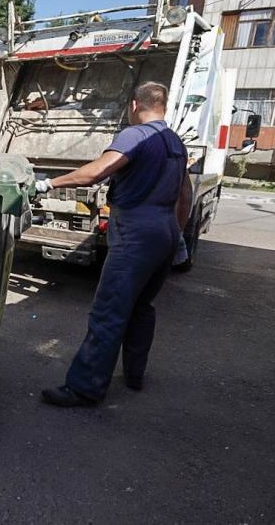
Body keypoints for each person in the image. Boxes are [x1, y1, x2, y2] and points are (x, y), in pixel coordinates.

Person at [35, 82, 192, 407]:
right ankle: (135, 376)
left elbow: (98, 172)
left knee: (109, 311)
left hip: (136, 232)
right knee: (141, 307)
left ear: (135, 104)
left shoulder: (135, 135)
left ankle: (84, 388)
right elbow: (185, 194)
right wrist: (175, 232)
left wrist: (49, 183)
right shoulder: (175, 142)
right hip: (164, 229)